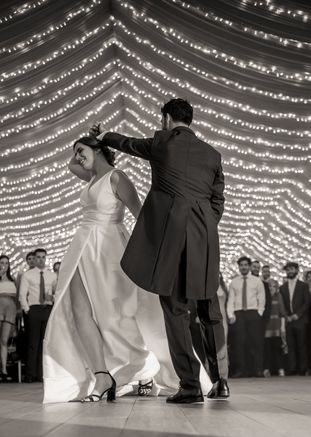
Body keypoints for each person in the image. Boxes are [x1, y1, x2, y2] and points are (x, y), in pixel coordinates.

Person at [94, 98, 227, 404]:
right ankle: (220, 382)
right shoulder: (212, 153)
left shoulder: (162, 142)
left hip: (173, 241)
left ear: (167, 118)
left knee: (177, 311)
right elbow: (218, 199)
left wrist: (104, 137)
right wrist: (205, 224)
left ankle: (191, 385)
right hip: (205, 239)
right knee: (210, 310)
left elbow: (128, 144)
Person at [43, 137, 188, 403]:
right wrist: (84, 145)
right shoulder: (89, 178)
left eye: (81, 150)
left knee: (116, 317)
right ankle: (101, 375)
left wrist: (150, 253)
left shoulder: (116, 178)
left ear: (97, 150)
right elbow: (71, 166)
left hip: (109, 250)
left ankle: (144, 370)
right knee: (78, 310)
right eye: (76, 152)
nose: (77, 156)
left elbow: (139, 214)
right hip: (82, 247)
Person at [20, 249, 56, 384]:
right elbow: (22, 294)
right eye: (38, 257)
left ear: (46, 258)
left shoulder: (52, 276)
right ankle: (30, 374)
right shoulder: (28, 275)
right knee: (32, 343)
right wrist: (27, 309)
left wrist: (52, 297)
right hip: (34, 309)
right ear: (34, 259)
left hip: (47, 308)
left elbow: (58, 292)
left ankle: (43, 374)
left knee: (45, 343)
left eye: (43, 257)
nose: (41, 260)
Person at [227, 256, 266, 378]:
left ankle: (257, 370)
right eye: (241, 265)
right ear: (239, 267)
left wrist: (259, 313)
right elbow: (231, 299)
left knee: (255, 342)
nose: (243, 267)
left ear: (249, 266)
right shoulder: (234, 282)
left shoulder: (256, 281)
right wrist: (230, 314)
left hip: (253, 313)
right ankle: (241, 370)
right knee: (239, 343)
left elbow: (261, 298)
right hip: (239, 314)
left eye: (245, 265)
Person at [279, 262, 311, 375]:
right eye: (288, 270)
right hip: (289, 321)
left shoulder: (303, 285)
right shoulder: (282, 287)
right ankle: (292, 368)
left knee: (302, 345)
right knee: (290, 345)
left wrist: (297, 315)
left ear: (297, 270)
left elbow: (306, 302)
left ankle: (302, 369)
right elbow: (282, 304)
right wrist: (287, 316)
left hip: (301, 320)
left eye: (292, 269)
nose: (290, 271)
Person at [263, 278, 286, 377]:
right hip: (267, 325)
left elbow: (282, 311)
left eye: (274, 286)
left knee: (277, 347)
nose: (271, 288)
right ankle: (267, 368)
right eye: (270, 286)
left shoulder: (279, 296)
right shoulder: (264, 296)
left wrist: (283, 326)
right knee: (267, 348)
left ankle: (280, 369)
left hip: (276, 325)